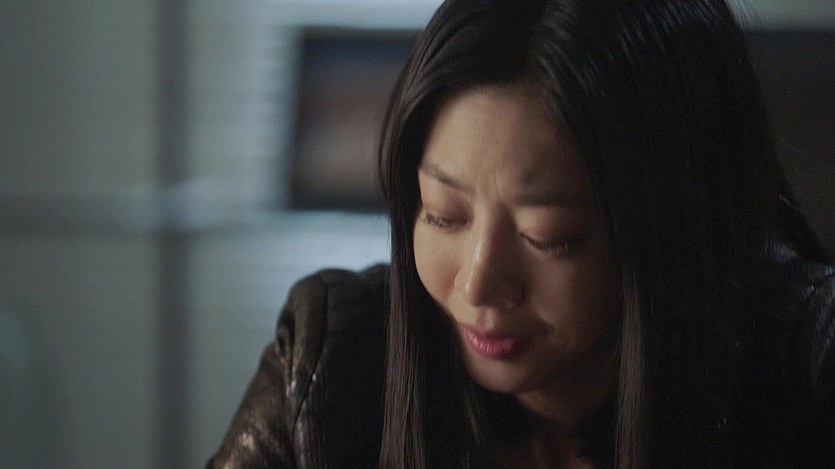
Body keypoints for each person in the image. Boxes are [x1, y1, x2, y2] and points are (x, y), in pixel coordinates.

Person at [208, 0, 835, 467]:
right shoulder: (331, 366)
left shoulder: (810, 374)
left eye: (549, 236)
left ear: (677, 222)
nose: (478, 284)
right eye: (444, 213)